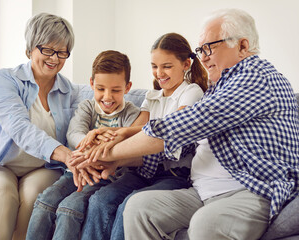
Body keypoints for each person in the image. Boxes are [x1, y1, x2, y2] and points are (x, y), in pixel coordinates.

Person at [80, 8, 299, 240]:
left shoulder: (255, 78)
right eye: (200, 50)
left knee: (205, 224)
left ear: (243, 46)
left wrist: (106, 154)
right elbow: (181, 146)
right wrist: (116, 160)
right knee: (139, 208)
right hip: (202, 191)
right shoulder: (220, 86)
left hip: (250, 190)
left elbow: (179, 127)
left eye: (209, 48)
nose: (202, 57)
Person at [72, 32, 208, 240]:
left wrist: (119, 136)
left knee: (129, 205)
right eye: (154, 66)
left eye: (167, 66)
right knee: (100, 200)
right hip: (144, 170)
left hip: (174, 175)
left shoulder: (192, 92)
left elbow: (167, 129)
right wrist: (102, 138)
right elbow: (136, 132)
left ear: (186, 64)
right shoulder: (151, 97)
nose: (159, 73)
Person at [0, 13, 81, 240]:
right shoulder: (6, 80)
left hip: (42, 168)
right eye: (47, 49)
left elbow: (79, 126)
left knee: (33, 196)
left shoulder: (71, 91)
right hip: (2, 165)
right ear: (30, 49)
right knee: (1, 192)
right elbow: (18, 127)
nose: (54, 58)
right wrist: (64, 153)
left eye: (61, 52)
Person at [26, 50, 141, 240]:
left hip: (105, 177)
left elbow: (128, 146)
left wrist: (98, 150)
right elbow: (73, 134)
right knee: (45, 201)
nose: (107, 97)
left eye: (116, 90)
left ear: (127, 87)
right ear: (91, 84)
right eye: (101, 88)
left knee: (69, 209)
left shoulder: (131, 114)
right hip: (76, 171)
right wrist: (92, 139)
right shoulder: (87, 107)